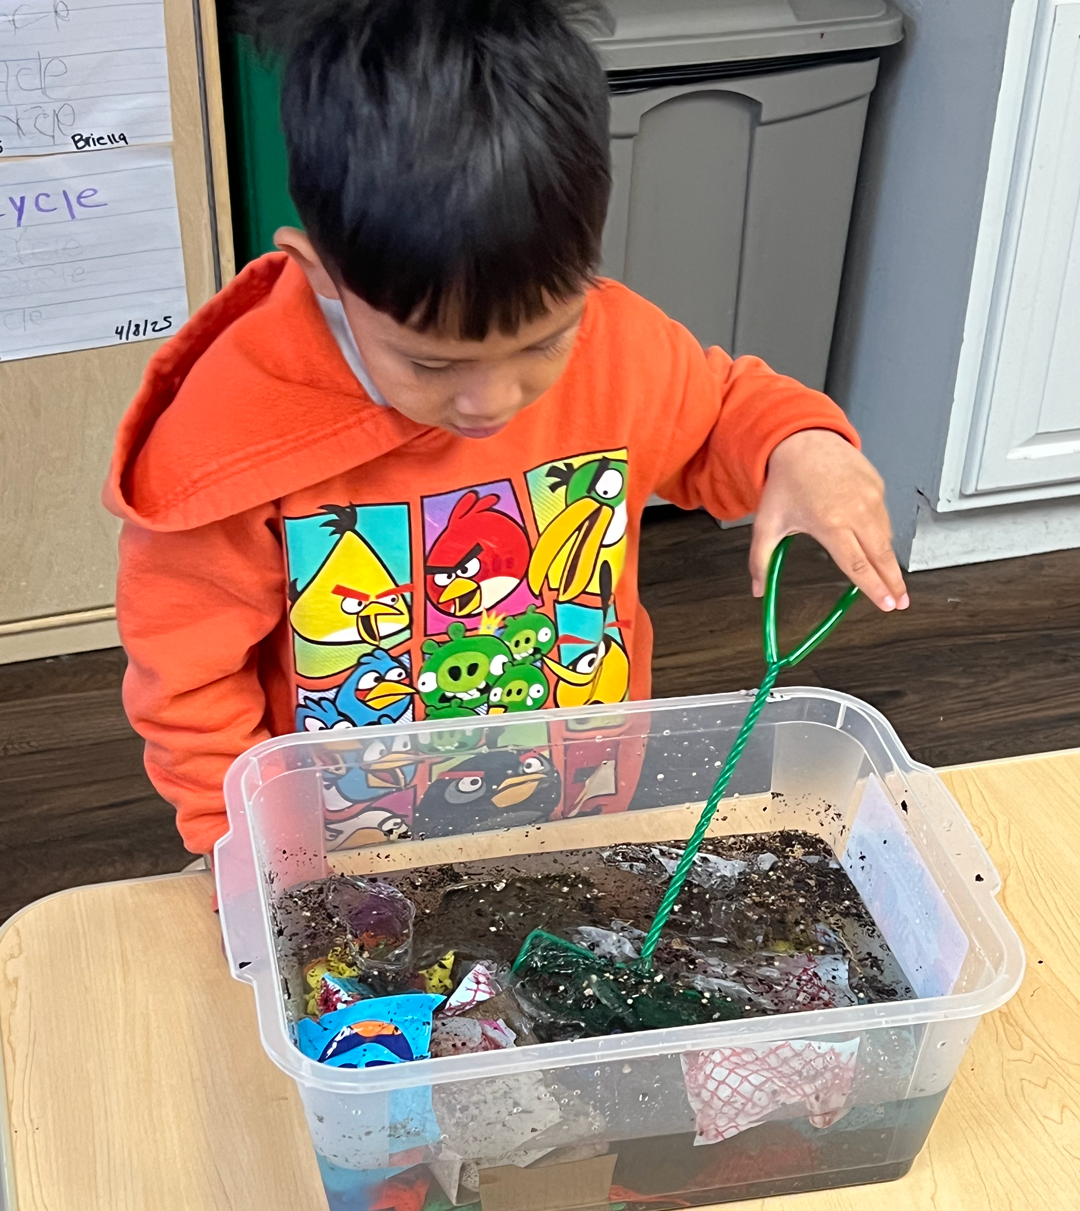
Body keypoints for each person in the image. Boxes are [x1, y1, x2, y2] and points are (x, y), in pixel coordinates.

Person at [104, 0, 908, 860]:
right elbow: (187, 682)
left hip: (580, 808)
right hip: (343, 847)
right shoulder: (233, 440)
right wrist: (246, 848)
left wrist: (801, 446)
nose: (491, 400)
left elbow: (719, 416)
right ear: (323, 275)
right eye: (433, 364)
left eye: (541, 342)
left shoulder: (619, 345)